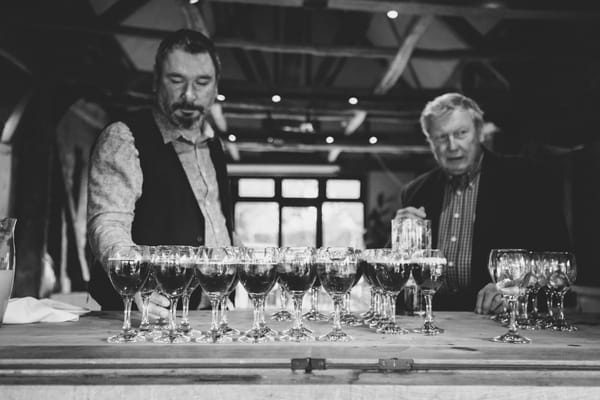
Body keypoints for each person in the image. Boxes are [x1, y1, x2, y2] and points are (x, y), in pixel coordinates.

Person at [87, 29, 233, 319]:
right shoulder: (124, 137)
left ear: (216, 86)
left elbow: (215, 222)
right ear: (156, 80)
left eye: (202, 82)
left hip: (210, 316)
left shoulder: (214, 144)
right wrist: (133, 278)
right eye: (176, 80)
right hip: (141, 317)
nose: (189, 95)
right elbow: (108, 223)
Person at [395, 93, 570, 313]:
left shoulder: (528, 178)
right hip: (434, 322)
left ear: (479, 133)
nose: (452, 146)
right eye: (441, 137)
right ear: (430, 142)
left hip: (504, 321)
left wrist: (517, 290)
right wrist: (398, 239)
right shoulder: (415, 191)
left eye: (461, 133)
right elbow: (401, 274)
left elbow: (559, 262)